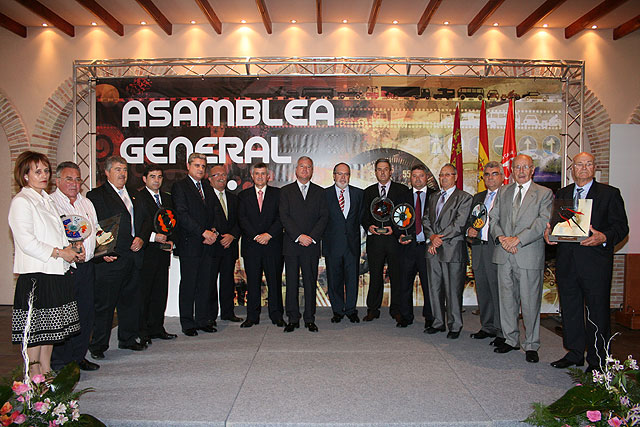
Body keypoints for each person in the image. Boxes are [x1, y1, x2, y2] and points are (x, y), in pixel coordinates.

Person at [545, 152, 628, 372]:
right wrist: (550, 234)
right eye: (579, 164)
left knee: (597, 312)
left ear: (594, 168)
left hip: (595, 264)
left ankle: (598, 359)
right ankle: (574, 354)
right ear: (572, 168)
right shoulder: (563, 193)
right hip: (567, 262)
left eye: (588, 164)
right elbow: (559, 226)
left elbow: (621, 228)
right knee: (570, 310)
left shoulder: (609, 194)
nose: (583, 168)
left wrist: (603, 237)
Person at [9, 151, 81, 377]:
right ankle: (33, 377)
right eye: (37, 171)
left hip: (54, 272)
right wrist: (60, 252)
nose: (43, 175)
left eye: (46, 171)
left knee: (51, 330)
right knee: (36, 332)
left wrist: (70, 249)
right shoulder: (22, 201)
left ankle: (47, 371)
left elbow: (54, 234)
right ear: (25, 175)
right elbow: (27, 242)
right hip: (36, 275)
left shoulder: (46, 199)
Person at [490, 154, 552, 363]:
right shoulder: (504, 191)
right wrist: (501, 238)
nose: (522, 171)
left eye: (525, 167)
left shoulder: (544, 193)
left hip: (528, 254)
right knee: (506, 300)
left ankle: (532, 344)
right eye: (517, 167)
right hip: (504, 254)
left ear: (532, 170)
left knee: (530, 302)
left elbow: (542, 222)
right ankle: (510, 339)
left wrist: (517, 240)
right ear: (512, 170)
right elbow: (493, 218)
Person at [87, 155, 148, 359]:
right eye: (118, 170)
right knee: (105, 305)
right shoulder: (95, 196)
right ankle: (98, 346)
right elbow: (92, 226)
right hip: (111, 259)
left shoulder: (135, 195)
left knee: (130, 301)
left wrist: (141, 237)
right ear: (107, 172)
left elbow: (145, 220)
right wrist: (101, 253)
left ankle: (127, 339)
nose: (122, 173)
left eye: (124, 170)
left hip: (134, 256)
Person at [50, 161, 100, 372]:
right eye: (69, 179)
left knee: (85, 313)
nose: (74, 183)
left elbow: (96, 229)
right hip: (64, 269)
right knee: (65, 315)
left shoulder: (86, 203)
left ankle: (79, 356)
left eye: (77, 179)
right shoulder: (50, 203)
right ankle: (61, 362)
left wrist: (102, 249)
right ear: (58, 180)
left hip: (87, 267)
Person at [423, 164, 472, 339]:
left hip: (452, 250)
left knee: (453, 289)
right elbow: (426, 219)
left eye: (448, 175)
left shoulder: (465, 198)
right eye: (441, 174)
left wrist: (438, 239)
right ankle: (438, 322)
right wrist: (432, 237)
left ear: (456, 176)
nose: (444, 178)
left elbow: (459, 224)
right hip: (433, 250)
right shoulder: (434, 196)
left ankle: (455, 325)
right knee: (434, 288)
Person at [279, 156, 328, 333]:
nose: (305, 169)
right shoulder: (285, 191)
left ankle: (309, 318)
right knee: (291, 283)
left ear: (312, 170)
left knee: (310, 282)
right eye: (302, 166)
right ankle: (293, 318)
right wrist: (299, 236)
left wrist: (311, 237)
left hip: (312, 245)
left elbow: (324, 217)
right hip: (292, 245)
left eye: (308, 167)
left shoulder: (320, 192)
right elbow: (284, 216)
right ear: (296, 169)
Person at [171, 152, 218, 337]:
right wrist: (202, 232)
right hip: (190, 244)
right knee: (189, 284)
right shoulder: (180, 187)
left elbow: (214, 212)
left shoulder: (207, 186)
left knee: (205, 283)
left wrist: (213, 231)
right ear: (188, 166)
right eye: (197, 165)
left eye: (203, 166)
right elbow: (182, 215)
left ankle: (202, 320)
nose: (200, 169)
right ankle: (187, 322)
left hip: (208, 243)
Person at [361, 158, 410, 322]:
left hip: (394, 241)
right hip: (375, 241)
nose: (382, 172)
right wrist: (369, 227)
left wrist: (395, 230)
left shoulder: (402, 190)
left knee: (396, 276)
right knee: (375, 276)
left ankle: (396, 309)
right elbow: (364, 216)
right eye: (379, 169)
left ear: (391, 171)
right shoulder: (367, 192)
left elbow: (406, 215)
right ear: (375, 172)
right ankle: (372, 309)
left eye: (385, 169)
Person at [237, 162, 285, 328]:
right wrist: (257, 236)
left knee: (274, 282)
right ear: (252, 176)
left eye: (263, 174)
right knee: (253, 283)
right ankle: (252, 316)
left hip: (273, 246)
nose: (260, 176)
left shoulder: (278, 194)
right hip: (252, 246)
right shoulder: (243, 196)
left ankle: (277, 315)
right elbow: (242, 219)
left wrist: (268, 235)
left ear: (268, 176)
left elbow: (282, 218)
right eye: (257, 173)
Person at [136, 164, 177, 343]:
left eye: (159, 177)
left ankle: (157, 327)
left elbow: (172, 222)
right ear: (145, 179)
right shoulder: (138, 198)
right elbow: (136, 225)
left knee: (161, 292)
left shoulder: (167, 199)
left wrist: (171, 239)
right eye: (153, 176)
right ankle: (143, 331)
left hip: (163, 253)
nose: (156, 180)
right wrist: (153, 237)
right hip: (147, 252)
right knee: (145, 293)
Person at [465, 161, 504, 346]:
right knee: (483, 288)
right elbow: (469, 221)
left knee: (498, 290)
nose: (490, 177)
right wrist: (469, 230)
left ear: (502, 176)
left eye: (494, 174)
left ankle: (502, 330)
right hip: (479, 248)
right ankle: (487, 326)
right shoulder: (478, 197)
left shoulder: (508, 196)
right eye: (487, 174)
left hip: (497, 248)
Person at [323, 163, 364, 324]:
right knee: (334, 280)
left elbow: (362, 218)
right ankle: (338, 310)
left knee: (352, 279)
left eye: (346, 174)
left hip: (352, 246)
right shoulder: (324, 194)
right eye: (339, 174)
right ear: (333, 176)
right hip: (332, 245)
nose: (342, 177)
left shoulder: (358, 194)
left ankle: (351, 310)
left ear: (350, 176)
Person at [396, 164, 436, 328]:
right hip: (408, 247)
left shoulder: (436, 196)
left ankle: (430, 317)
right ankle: (406, 316)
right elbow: (396, 220)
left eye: (421, 176)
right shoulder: (402, 196)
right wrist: (399, 235)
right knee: (405, 283)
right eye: (414, 176)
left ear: (426, 177)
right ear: (410, 178)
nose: (417, 179)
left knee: (429, 285)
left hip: (428, 247)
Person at [208, 164, 243, 324]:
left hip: (230, 247)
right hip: (212, 247)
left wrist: (232, 236)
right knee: (210, 282)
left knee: (228, 281)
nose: (221, 177)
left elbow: (239, 222)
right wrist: (220, 236)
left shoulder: (234, 198)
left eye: (223, 174)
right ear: (209, 179)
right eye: (217, 175)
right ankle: (211, 315)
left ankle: (228, 312)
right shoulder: (205, 198)